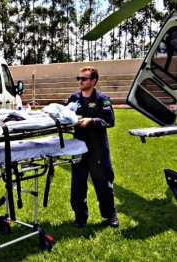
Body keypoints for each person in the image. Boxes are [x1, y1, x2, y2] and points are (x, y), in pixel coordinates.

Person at [65, 66, 120, 229]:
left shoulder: (102, 98)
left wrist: (92, 121)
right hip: (78, 148)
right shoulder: (73, 98)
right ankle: (80, 216)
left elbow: (110, 121)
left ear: (93, 81)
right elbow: (65, 115)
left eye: (84, 79)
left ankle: (110, 214)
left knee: (103, 183)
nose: (80, 81)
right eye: (79, 78)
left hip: (98, 149)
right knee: (78, 185)